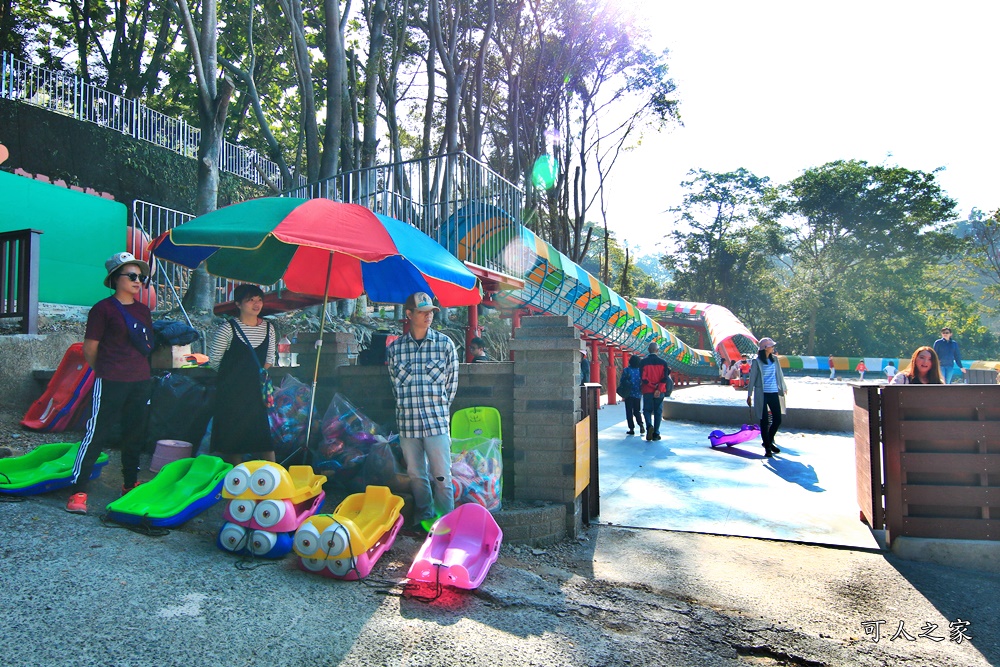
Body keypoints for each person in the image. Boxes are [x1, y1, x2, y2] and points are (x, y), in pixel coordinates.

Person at [66, 252, 154, 514]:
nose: (139, 281)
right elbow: (90, 348)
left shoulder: (143, 310)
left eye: (141, 277)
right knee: (97, 433)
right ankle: (78, 491)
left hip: (140, 380)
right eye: (132, 276)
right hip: (111, 379)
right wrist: (104, 370)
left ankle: (129, 484)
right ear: (116, 279)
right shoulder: (102, 309)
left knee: (134, 434)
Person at [386, 292, 459, 530]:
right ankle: (424, 519)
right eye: (422, 311)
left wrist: (439, 410)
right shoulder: (395, 349)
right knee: (416, 475)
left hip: (436, 422)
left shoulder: (445, 345)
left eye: (431, 311)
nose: (428, 316)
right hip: (407, 423)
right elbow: (395, 386)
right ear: (409, 314)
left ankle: (446, 523)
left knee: (442, 476)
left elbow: (451, 386)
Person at [207, 284, 277, 466]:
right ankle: (237, 479)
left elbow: (269, 358)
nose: (256, 304)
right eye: (250, 300)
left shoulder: (269, 328)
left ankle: (274, 477)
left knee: (263, 437)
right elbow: (215, 361)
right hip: (231, 393)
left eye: (259, 299)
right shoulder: (227, 329)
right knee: (233, 439)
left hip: (256, 392)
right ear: (238, 304)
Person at [747, 337, 787, 458]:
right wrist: (749, 395)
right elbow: (752, 378)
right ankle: (768, 448)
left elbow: (780, 374)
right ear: (765, 348)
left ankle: (767, 441)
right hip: (762, 393)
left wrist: (784, 387)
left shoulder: (775, 359)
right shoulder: (756, 361)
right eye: (771, 346)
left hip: (774, 392)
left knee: (777, 419)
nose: (773, 347)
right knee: (764, 421)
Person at [639, 342, 672, 442]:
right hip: (660, 391)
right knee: (658, 412)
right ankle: (656, 433)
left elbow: (643, 378)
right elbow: (664, 378)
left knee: (647, 410)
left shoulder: (643, 362)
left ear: (648, 350)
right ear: (657, 351)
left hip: (647, 390)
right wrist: (658, 389)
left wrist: (652, 386)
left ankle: (649, 426)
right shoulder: (663, 363)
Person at [618, 355, 644, 436]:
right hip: (638, 394)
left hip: (628, 394)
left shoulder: (626, 370)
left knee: (629, 411)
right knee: (637, 411)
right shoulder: (640, 371)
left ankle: (631, 428)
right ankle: (641, 425)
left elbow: (622, 380)